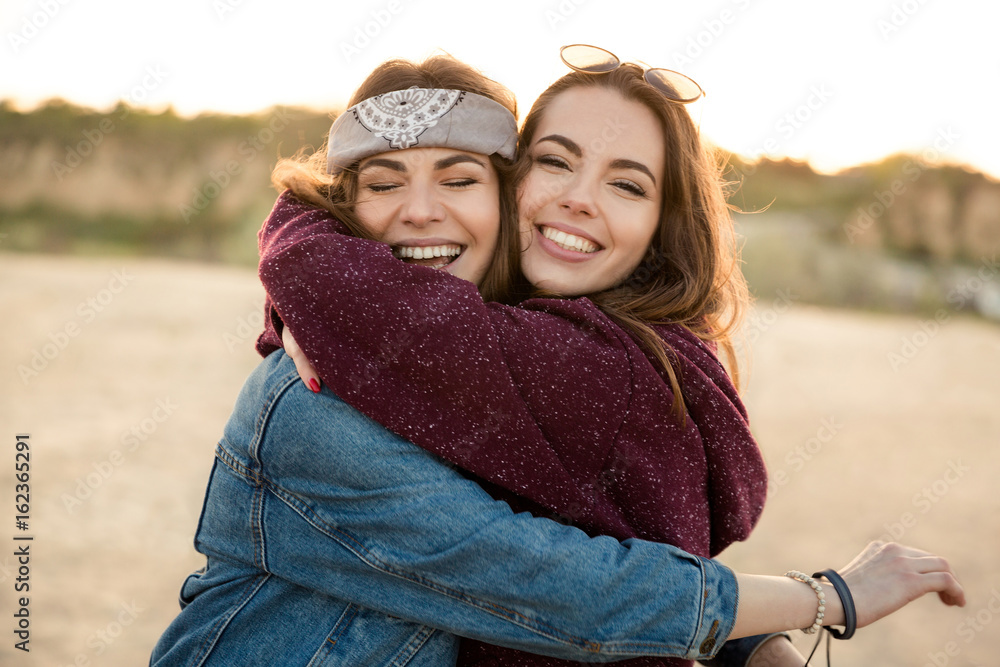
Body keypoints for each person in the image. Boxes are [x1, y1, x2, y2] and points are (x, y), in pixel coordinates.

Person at [151, 52, 964, 666]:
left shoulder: (532, 369)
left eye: (460, 176)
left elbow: (586, 550)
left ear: (501, 195)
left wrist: (743, 645)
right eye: (382, 182)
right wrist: (824, 597)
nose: (420, 210)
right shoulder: (314, 404)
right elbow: (552, 583)